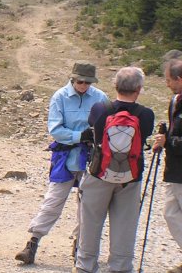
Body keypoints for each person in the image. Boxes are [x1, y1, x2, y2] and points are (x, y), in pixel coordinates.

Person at [15, 62, 107, 265]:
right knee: (53, 201)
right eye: (80, 81)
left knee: (88, 205)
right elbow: (55, 129)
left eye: (88, 82)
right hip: (65, 158)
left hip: (91, 158)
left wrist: (93, 137)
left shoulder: (100, 98)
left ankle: (80, 246)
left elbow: (107, 127)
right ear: (72, 79)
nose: (83, 85)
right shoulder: (59, 97)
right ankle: (32, 243)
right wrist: (78, 135)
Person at [74, 67, 155, 273]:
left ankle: (85, 266)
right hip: (130, 177)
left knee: (91, 222)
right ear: (138, 89)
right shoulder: (146, 114)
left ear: (115, 85)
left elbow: (93, 129)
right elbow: (145, 134)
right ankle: (120, 267)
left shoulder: (100, 109)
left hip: (99, 173)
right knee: (124, 226)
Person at [152, 56, 182, 273]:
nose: (167, 83)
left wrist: (168, 141)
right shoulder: (174, 101)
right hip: (173, 169)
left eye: (169, 80)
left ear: (179, 79)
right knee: (170, 213)